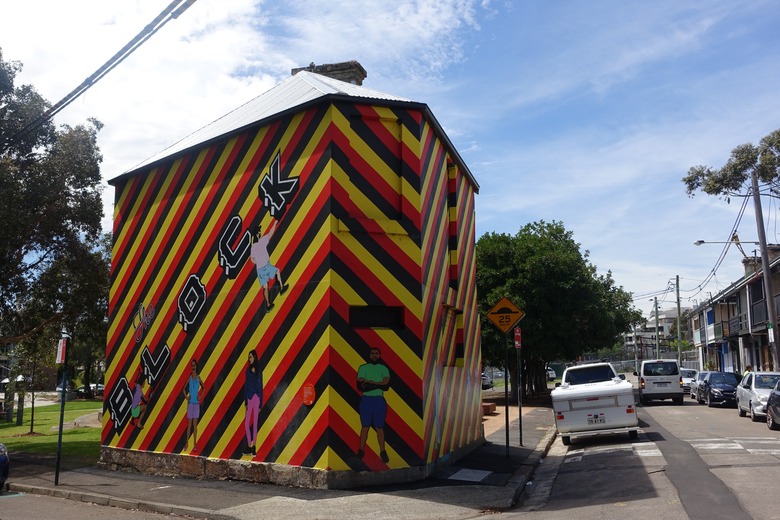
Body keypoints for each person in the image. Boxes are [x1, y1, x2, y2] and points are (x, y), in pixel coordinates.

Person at [356, 347, 391, 464]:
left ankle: (382, 451)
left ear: (379, 355)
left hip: (378, 400)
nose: (374, 355)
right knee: (365, 426)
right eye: (372, 353)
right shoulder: (363, 367)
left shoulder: (383, 368)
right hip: (366, 400)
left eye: (376, 353)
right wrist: (378, 384)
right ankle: (361, 449)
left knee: (379, 427)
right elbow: (360, 383)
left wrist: (369, 382)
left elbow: (386, 383)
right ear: (369, 355)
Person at [250, 221, 289, 311]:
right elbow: (270, 233)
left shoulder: (253, 247)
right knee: (277, 271)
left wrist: (257, 261)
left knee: (265, 287)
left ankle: (268, 304)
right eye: (259, 232)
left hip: (260, 270)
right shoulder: (262, 241)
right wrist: (274, 224)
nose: (260, 232)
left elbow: (252, 259)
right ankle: (282, 288)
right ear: (257, 234)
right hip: (266, 266)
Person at [183, 359, 205, 453]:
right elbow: (183, 389)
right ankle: (187, 443)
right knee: (189, 425)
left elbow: (204, 388)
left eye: (194, 365)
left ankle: (195, 444)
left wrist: (200, 396)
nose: (193, 367)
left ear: (196, 366)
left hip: (196, 404)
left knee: (195, 425)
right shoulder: (189, 378)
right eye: (192, 365)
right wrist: (186, 397)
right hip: (190, 404)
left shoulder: (199, 378)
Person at [243, 349, 263, 456]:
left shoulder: (258, 371)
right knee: (247, 424)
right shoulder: (247, 371)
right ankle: (250, 445)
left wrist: (261, 403)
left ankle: (253, 446)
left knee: (255, 423)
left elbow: (260, 387)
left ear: (254, 357)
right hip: (250, 398)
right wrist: (245, 401)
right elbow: (246, 386)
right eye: (248, 357)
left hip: (256, 398)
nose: (249, 359)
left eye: (250, 357)